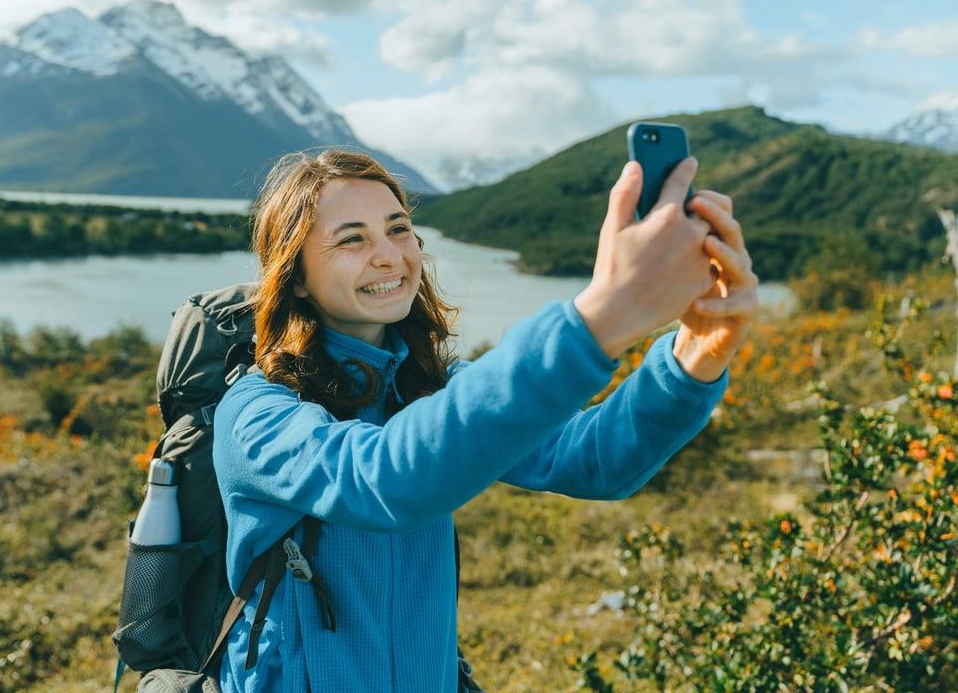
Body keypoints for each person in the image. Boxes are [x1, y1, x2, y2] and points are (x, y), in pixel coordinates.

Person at [212, 148, 757, 692]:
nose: (388, 256)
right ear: (296, 276)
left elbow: (596, 460)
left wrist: (697, 354)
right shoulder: (258, 414)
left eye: (398, 229)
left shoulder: (432, 387)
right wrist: (600, 321)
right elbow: (383, 480)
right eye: (352, 238)